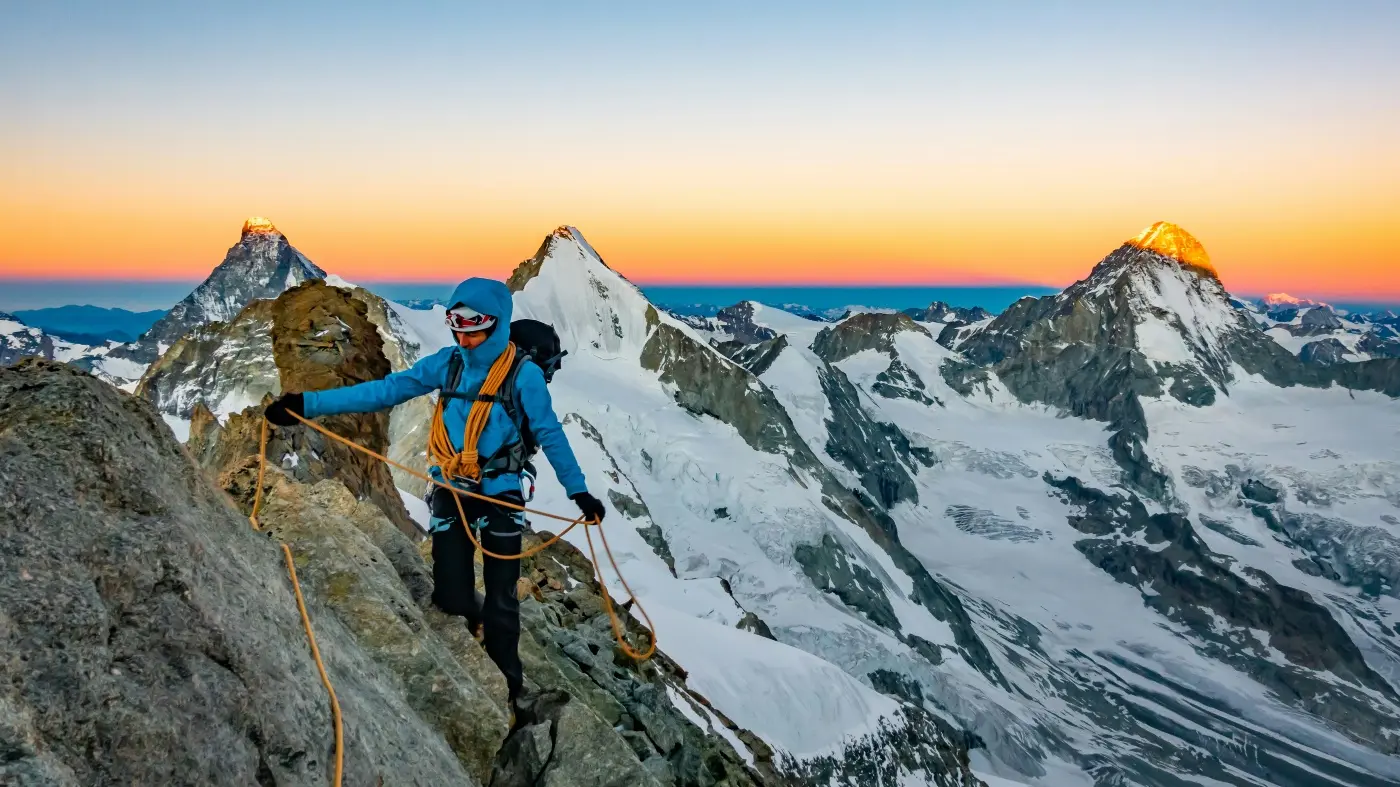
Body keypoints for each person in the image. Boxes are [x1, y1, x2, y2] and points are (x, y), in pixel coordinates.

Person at [264, 276, 606, 708]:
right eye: (456, 326)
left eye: (474, 327)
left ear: (498, 325)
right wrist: (307, 405)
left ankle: (508, 686)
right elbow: (386, 391)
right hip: (449, 482)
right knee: (451, 595)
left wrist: (579, 493)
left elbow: (549, 434)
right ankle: (474, 620)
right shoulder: (449, 364)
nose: (464, 336)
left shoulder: (524, 376)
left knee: (503, 594)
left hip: (499, 488)